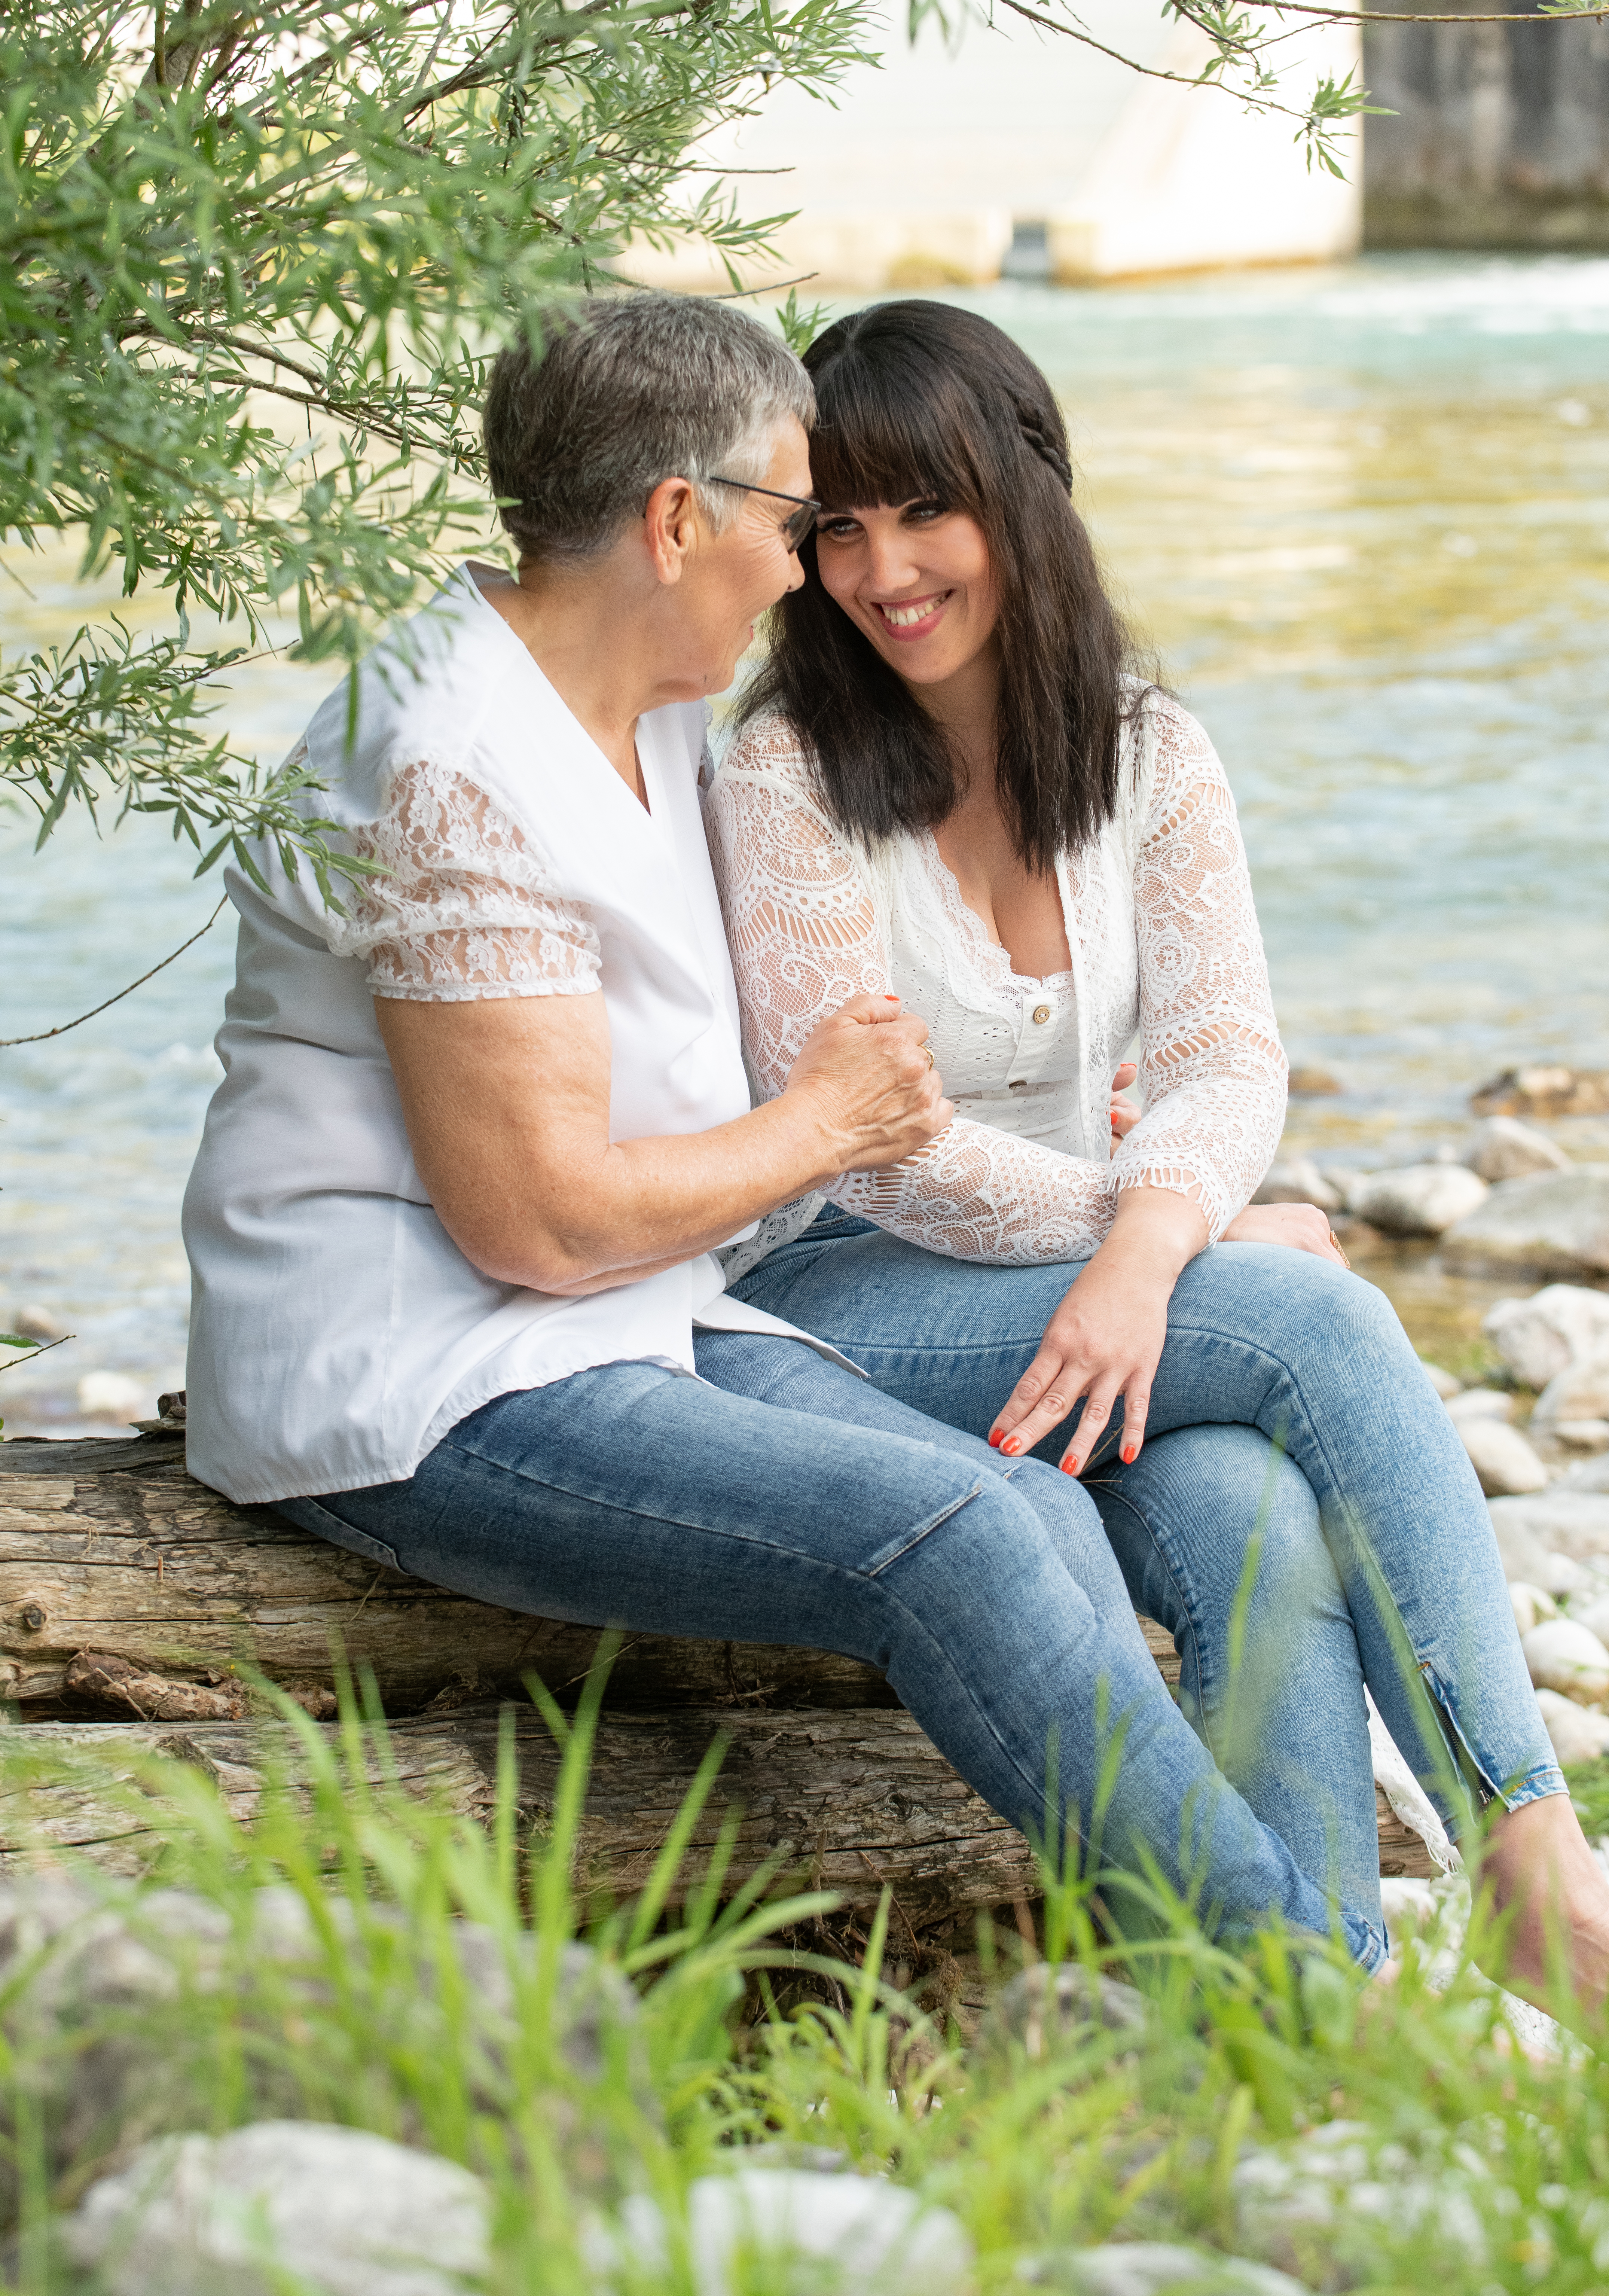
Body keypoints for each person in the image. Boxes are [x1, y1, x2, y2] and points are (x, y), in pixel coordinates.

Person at [181, 288, 1431, 1986]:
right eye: (796, 520)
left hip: (644, 1313)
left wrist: (1139, 1188)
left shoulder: (647, 696)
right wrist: (827, 1124)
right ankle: (1328, 2006)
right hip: (429, 1376)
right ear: (676, 520)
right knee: (965, 1536)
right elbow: (535, 1223)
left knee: (1040, 1509)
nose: (810, 576)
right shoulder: (447, 762)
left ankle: (1201, 2033)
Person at [706, 298, 1609, 2018]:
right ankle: (1539, 1866)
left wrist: (1153, 1246)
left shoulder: (1147, 747)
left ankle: (1306, 2046)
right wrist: (1167, 1235)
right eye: (835, 526)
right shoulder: (782, 775)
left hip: (1087, 1302)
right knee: (1311, 1312)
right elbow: (879, 1142)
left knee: (1258, 1520)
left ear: (1028, 492)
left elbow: (1228, 1055)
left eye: (927, 509)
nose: (881, 569)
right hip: (830, 1293)